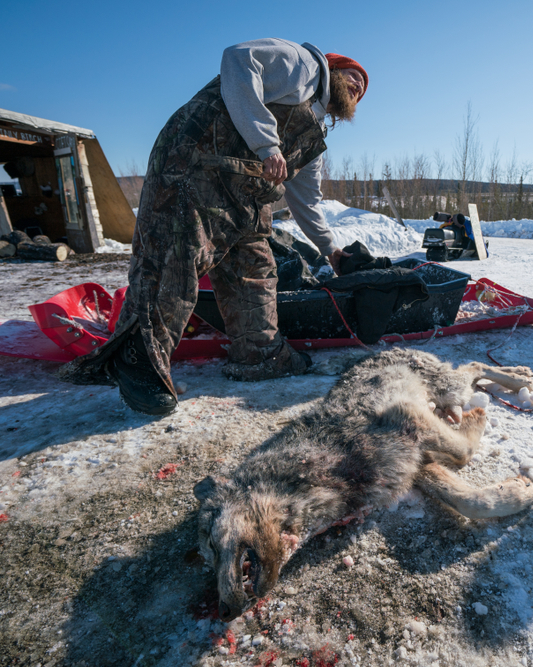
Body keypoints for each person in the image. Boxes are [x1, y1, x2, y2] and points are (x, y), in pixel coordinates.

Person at [59, 38, 368, 416]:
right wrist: (268, 145)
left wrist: (331, 250)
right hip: (194, 162)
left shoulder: (314, 131)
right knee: (175, 257)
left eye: (362, 91)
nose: (357, 87)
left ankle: (259, 355)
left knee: (255, 269)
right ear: (335, 67)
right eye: (354, 76)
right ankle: (136, 359)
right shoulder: (305, 66)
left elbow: (307, 200)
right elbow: (238, 59)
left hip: (243, 192)